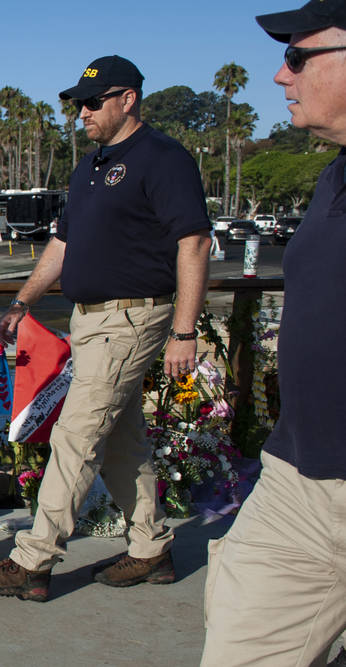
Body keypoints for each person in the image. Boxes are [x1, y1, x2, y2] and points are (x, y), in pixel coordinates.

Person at [0, 55, 212, 602]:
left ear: (128, 99)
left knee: (76, 436)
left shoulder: (163, 158)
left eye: (93, 103)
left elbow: (193, 241)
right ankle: (152, 549)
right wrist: (21, 302)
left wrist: (186, 331)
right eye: (78, 104)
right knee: (122, 439)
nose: (83, 113)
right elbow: (63, 244)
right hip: (90, 319)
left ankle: (34, 561)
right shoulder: (92, 166)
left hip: (131, 316)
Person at [202, 4, 346, 664]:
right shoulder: (334, 176)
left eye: (297, 56)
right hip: (297, 475)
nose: (279, 75)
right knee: (239, 631)